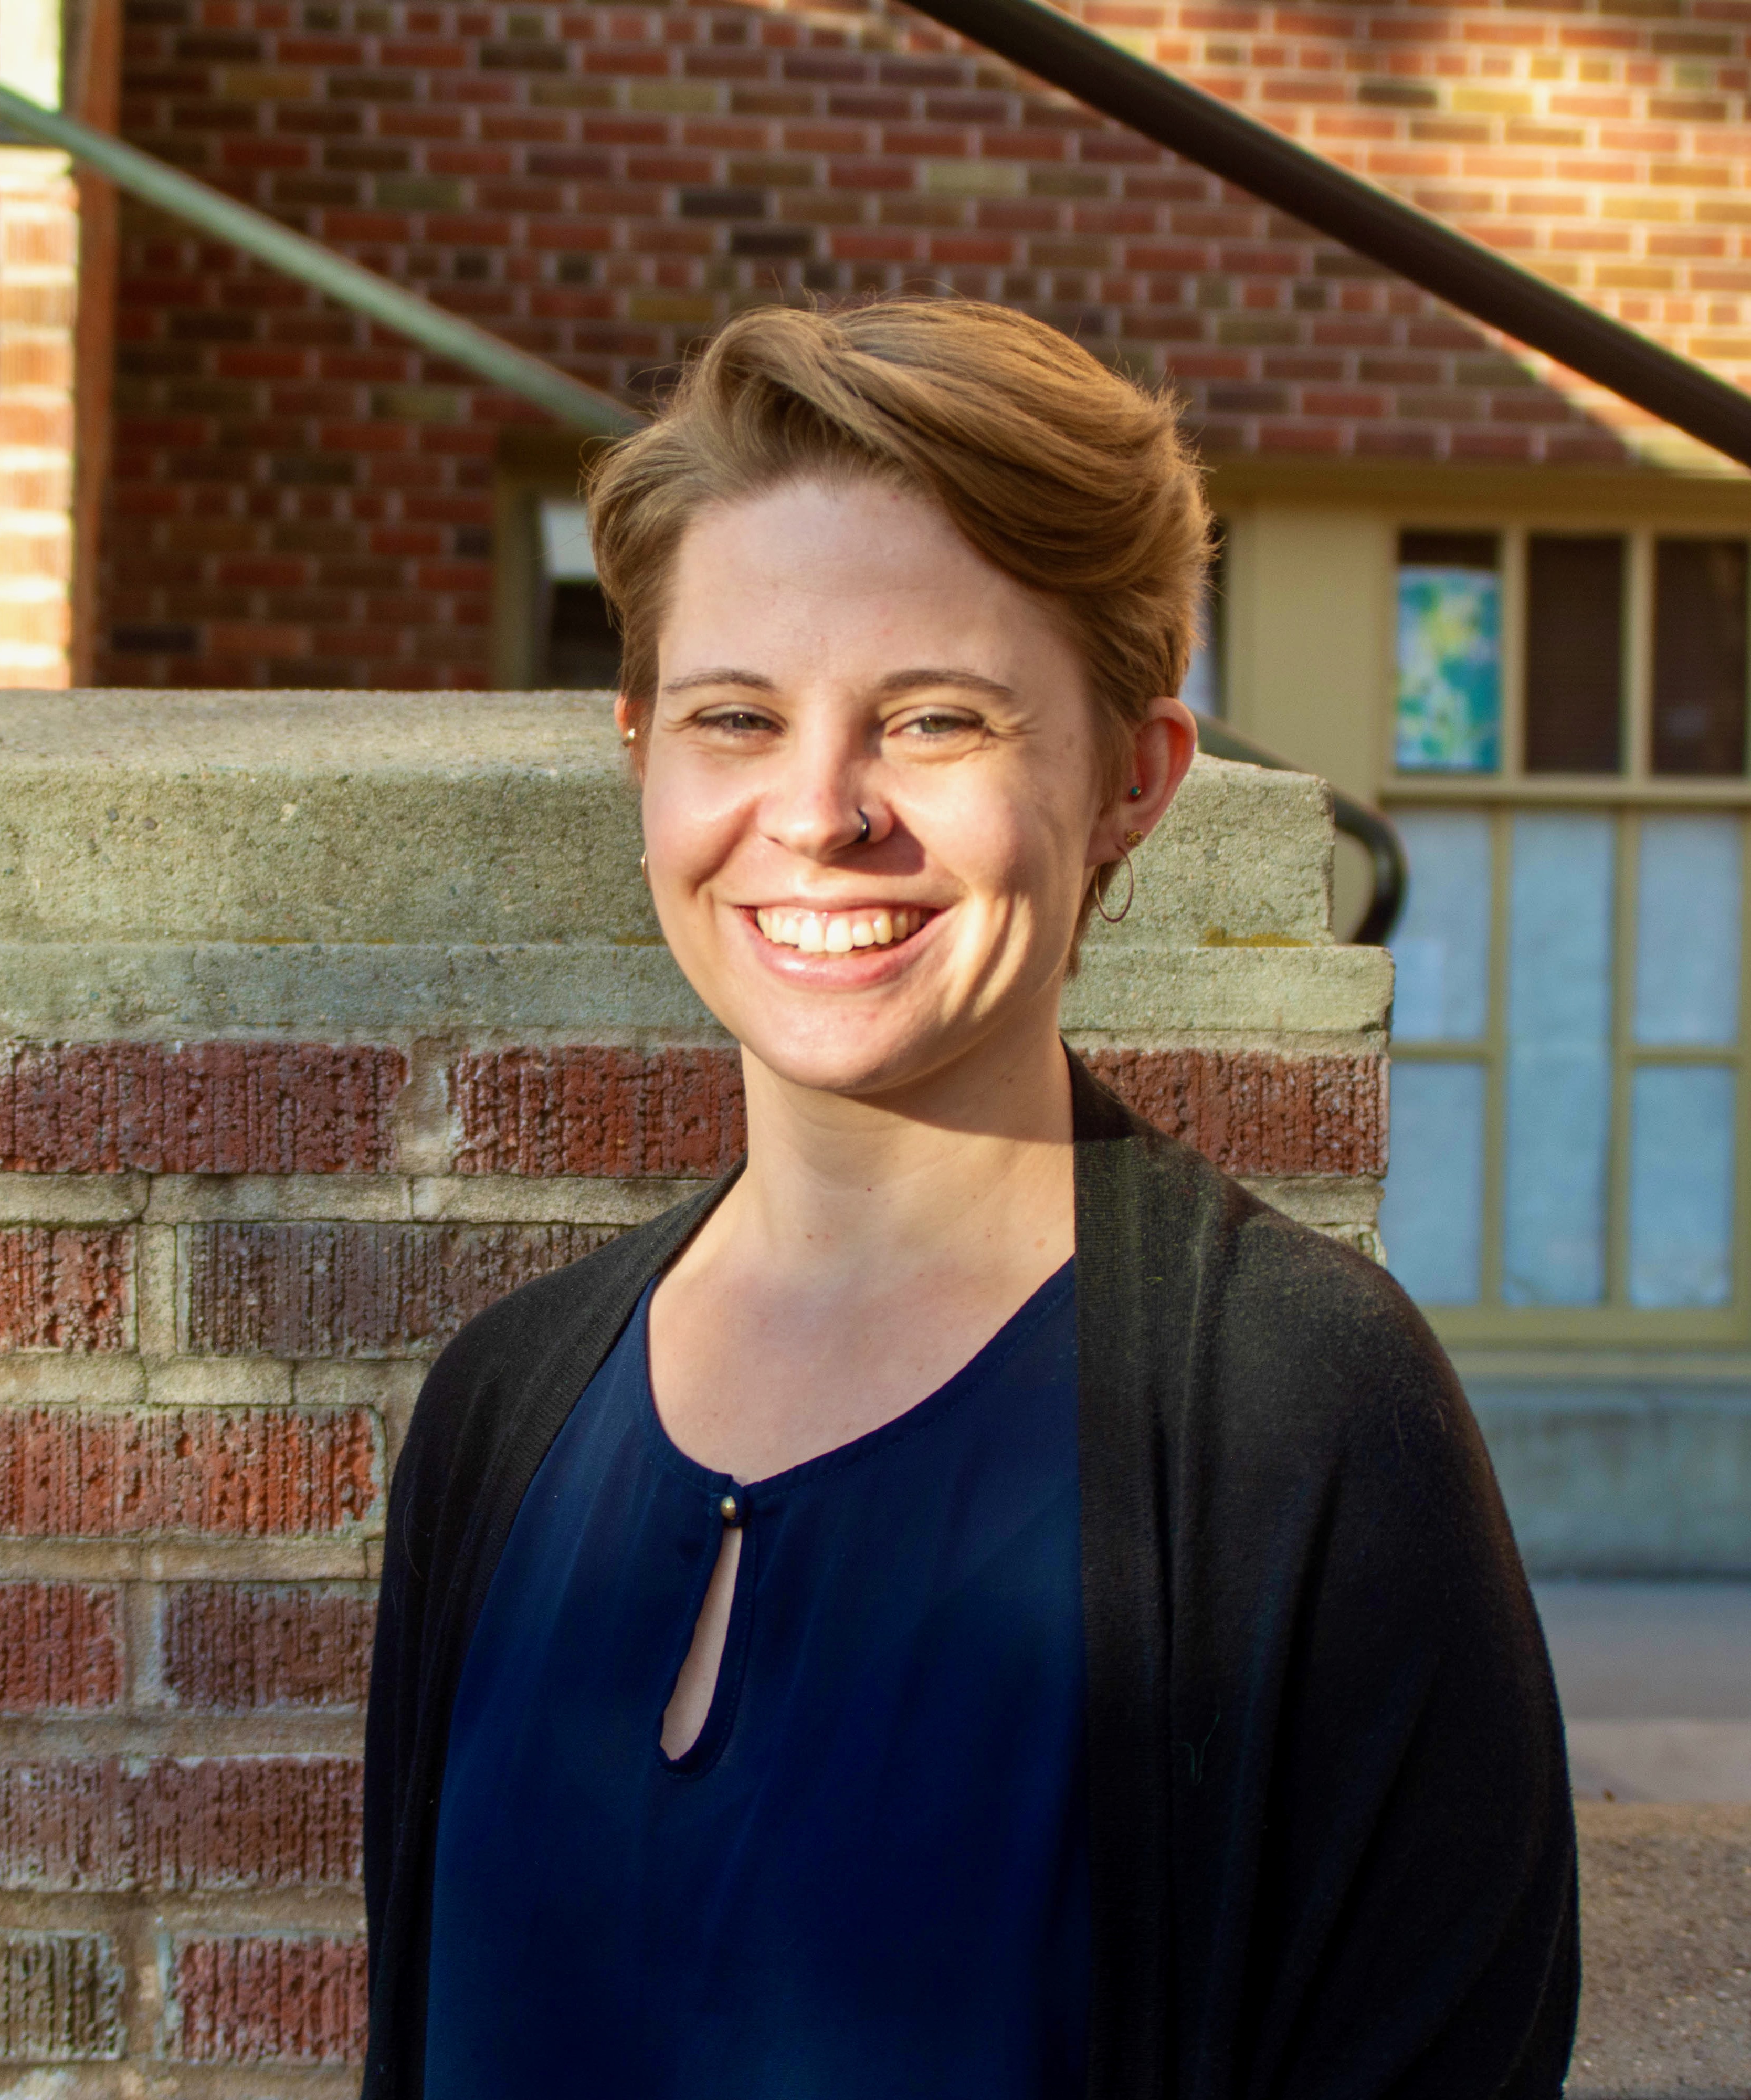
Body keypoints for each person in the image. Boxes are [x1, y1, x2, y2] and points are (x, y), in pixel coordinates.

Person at [363, 299, 1577, 2100]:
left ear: (1130, 783)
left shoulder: (1300, 1425)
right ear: (643, 755)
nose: (818, 810)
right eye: (735, 717)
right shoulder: (502, 1409)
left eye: (934, 719)